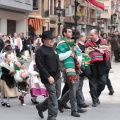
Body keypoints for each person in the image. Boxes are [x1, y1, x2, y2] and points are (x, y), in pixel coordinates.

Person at [56, 27, 86, 117]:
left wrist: (78, 57)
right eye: (69, 32)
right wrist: (71, 52)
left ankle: (60, 102)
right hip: (67, 69)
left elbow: (79, 55)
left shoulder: (73, 43)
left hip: (76, 68)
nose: (71, 33)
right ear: (64, 33)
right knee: (73, 89)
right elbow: (60, 57)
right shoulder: (61, 43)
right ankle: (74, 110)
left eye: (71, 32)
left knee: (75, 88)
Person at [35, 31, 61, 120]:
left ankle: (41, 107)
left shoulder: (53, 48)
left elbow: (57, 61)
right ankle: (52, 117)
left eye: (52, 38)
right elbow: (40, 66)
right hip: (48, 78)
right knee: (53, 97)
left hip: (57, 76)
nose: (52, 40)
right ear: (44, 40)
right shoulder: (40, 50)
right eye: (50, 39)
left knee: (57, 95)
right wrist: (48, 76)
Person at [84, 29, 110, 107]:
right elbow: (88, 51)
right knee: (92, 83)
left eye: (92, 35)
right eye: (90, 35)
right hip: (92, 65)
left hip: (102, 65)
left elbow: (107, 50)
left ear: (96, 34)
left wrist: (99, 49)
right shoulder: (88, 42)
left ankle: (96, 95)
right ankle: (94, 100)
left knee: (103, 83)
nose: (90, 36)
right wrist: (99, 49)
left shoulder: (103, 41)